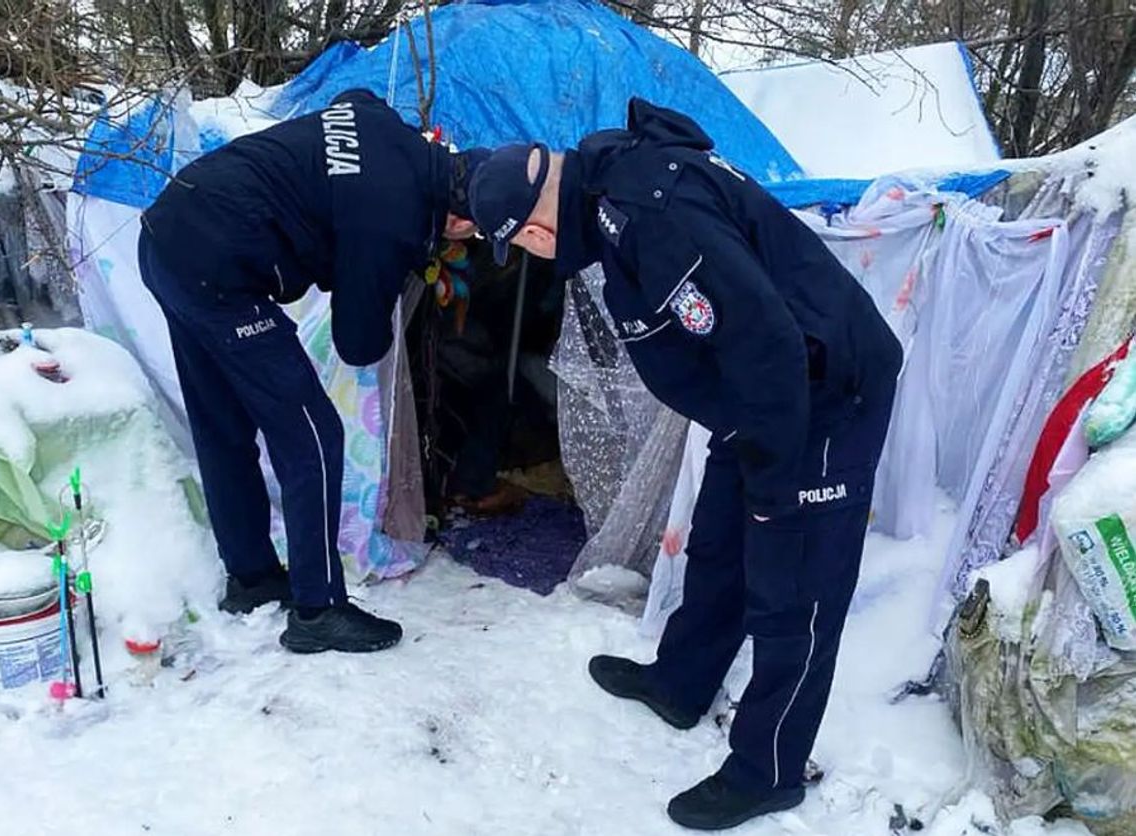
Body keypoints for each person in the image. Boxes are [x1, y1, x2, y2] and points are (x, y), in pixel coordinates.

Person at [468, 99, 903, 830]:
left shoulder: (651, 214)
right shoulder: (611, 197)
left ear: (536, 231)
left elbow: (767, 342)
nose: (539, 255)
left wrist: (772, 479)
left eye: (529, 248)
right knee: (719, 537)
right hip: (760, 393)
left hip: (824, 389)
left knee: (793, 581)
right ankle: (681, 681)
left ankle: (769, 769)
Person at [139, 88, 483, 654]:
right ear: (458, 219)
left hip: (167, 236)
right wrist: (385, 269)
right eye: (467, 233)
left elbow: (355, 98)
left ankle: (251, 577)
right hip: (218, 271)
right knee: (314, 433)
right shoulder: (392, 222)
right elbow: (357, 343)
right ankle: (319, 610)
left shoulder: (388, 130)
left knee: (223, 425)